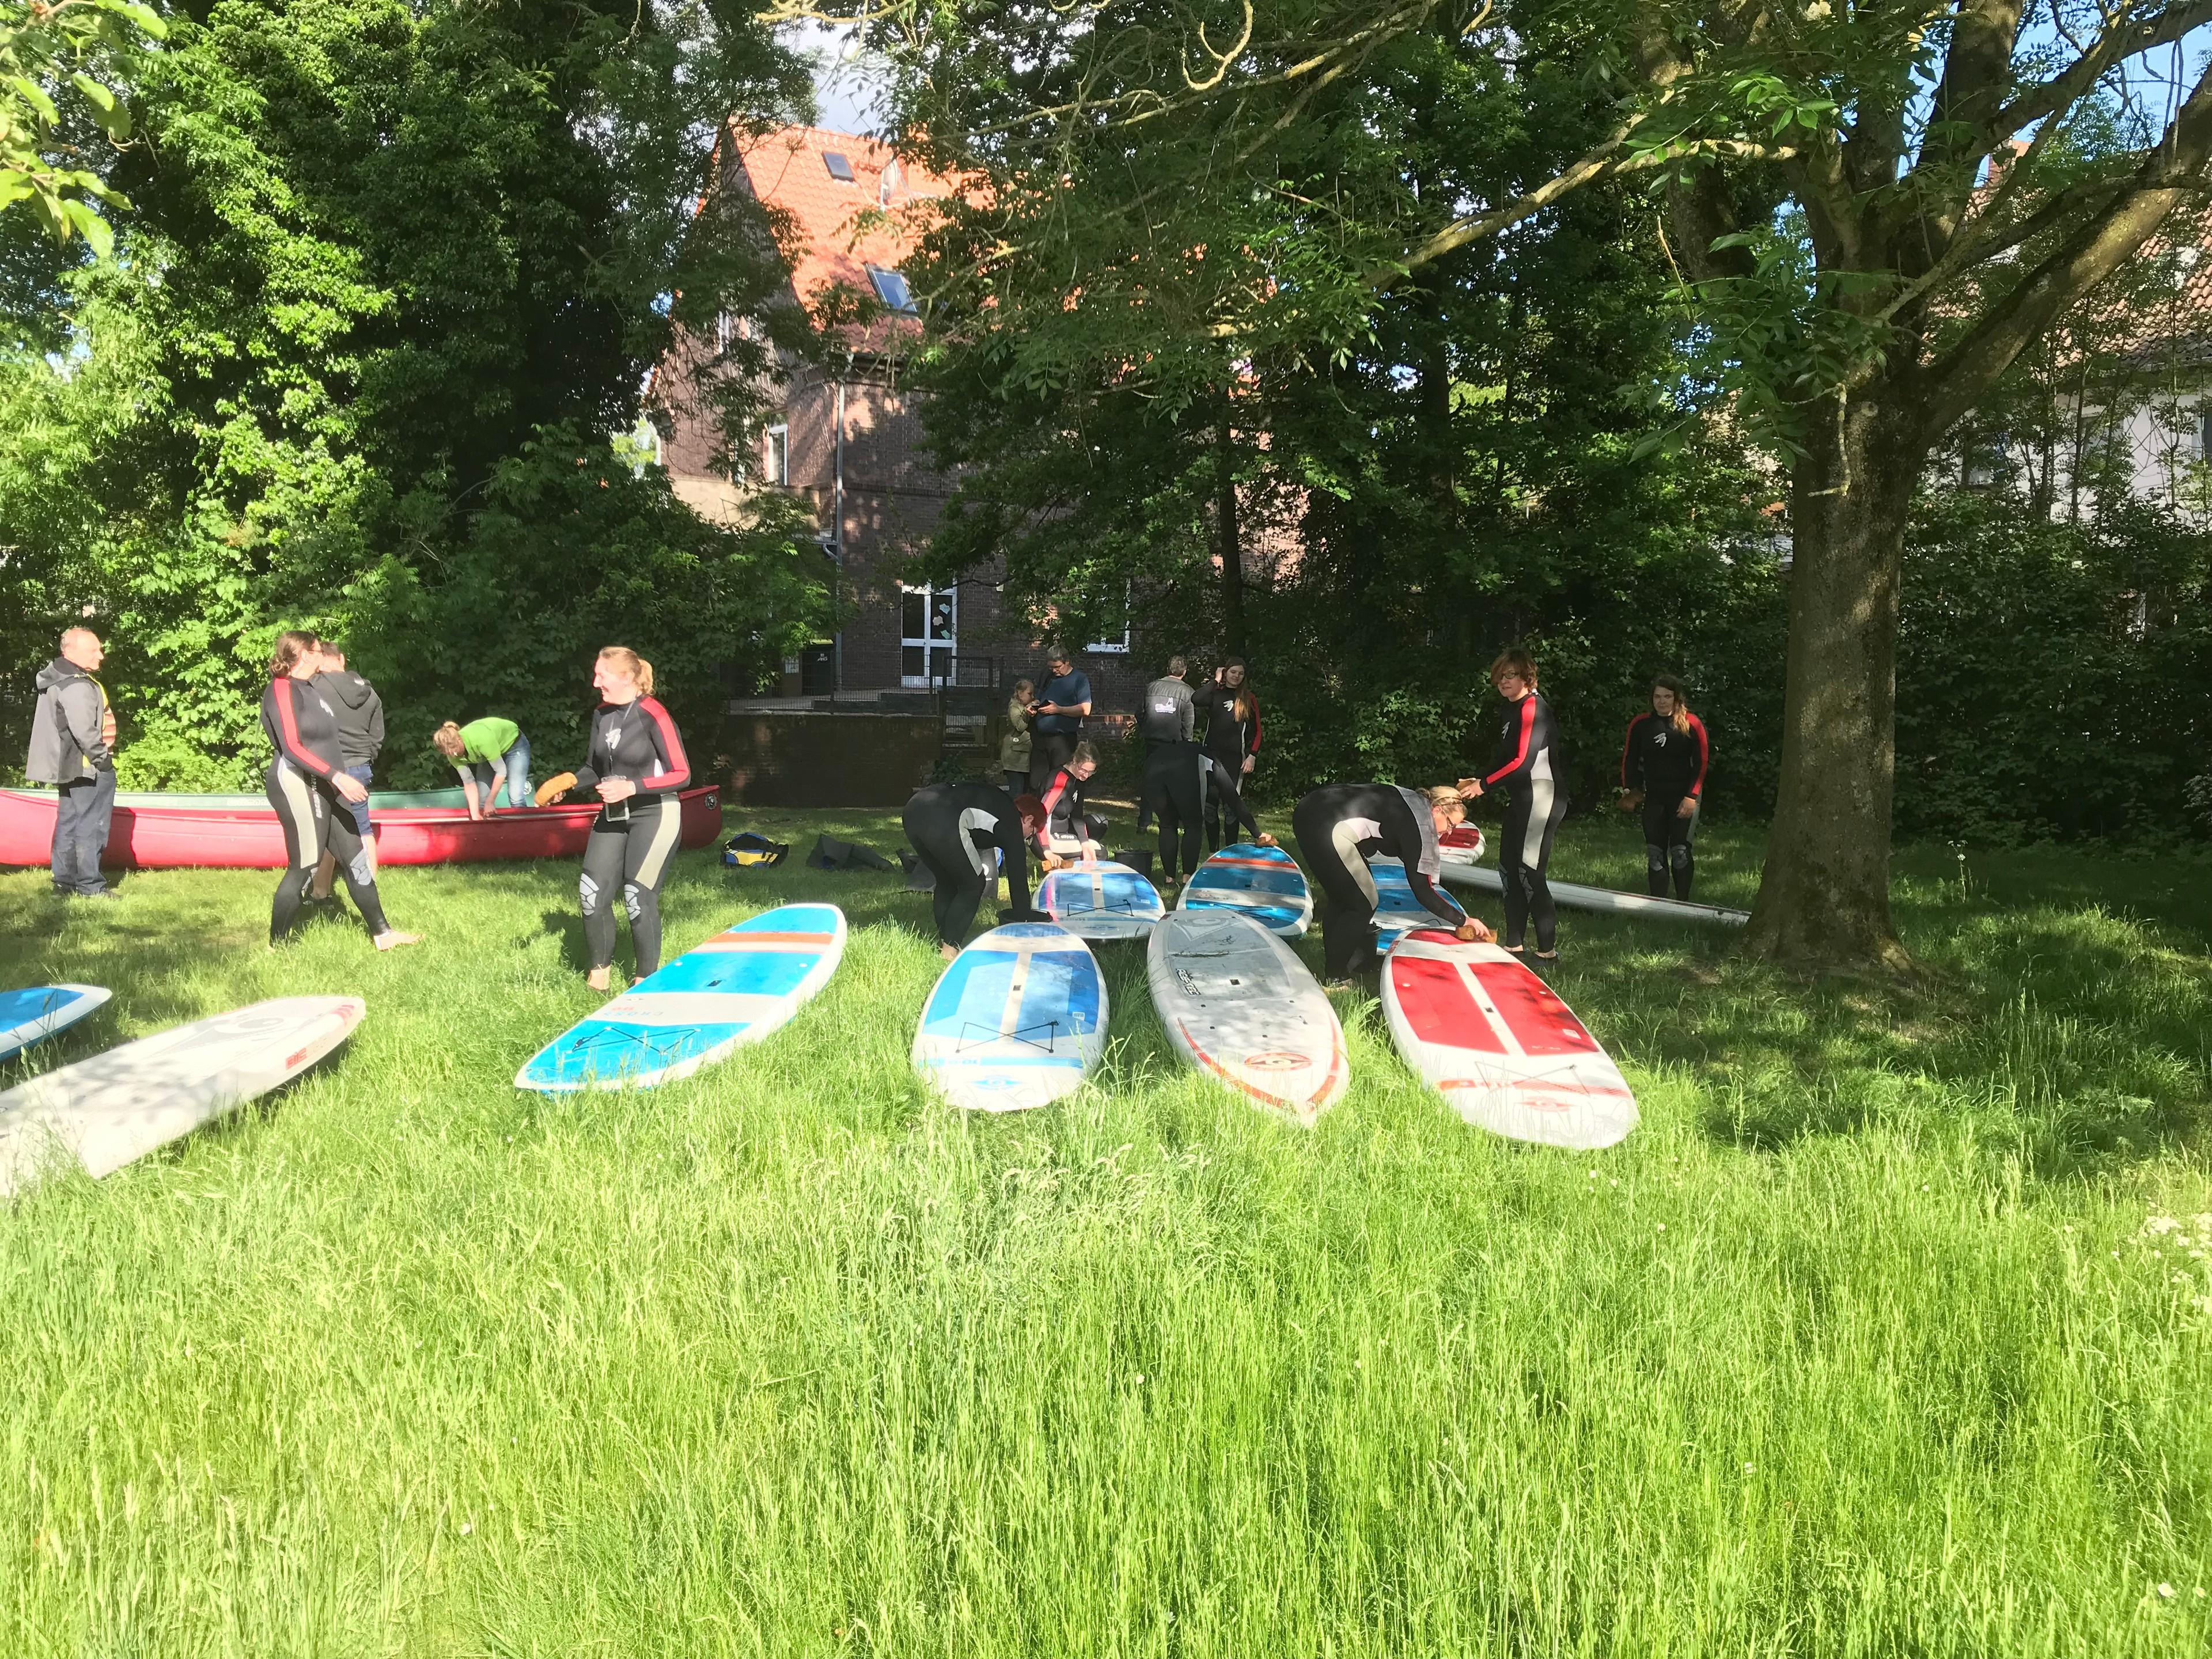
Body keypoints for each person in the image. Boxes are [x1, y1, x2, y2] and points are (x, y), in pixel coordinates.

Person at [261, 631, 420, 950]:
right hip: (298, 783)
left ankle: (383, 935)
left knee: (355, 857)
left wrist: (338, 777)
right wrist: (338, 776)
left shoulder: (312, 689)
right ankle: (276, 946)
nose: (324, 655)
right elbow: (292, 746)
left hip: (329, 784)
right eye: (319, 650)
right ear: (305, 655)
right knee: (306, 864)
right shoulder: (281, 689)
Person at [568, 647, 691, 991]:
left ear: (626, 677)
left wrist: (632, 787)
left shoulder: (654, 713)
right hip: (613, 814)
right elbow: (595, 768)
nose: (595, 683)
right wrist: (570, 783)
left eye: (601, 675)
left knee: (637, 896)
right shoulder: (601, 715)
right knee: (591, 893)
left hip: (656, 813)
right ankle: (598, 979)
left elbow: (682, 774)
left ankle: (646, 983)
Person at [1291, 783, 1490, 983]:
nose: (1448, 832)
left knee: (1344, 897)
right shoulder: (1421, 825)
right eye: (1450, 824)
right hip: (1326, 823)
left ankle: (1338, 964)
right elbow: (1424, 890)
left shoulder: (1413, 801)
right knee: (1362, 903)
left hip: (1312, 808)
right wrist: (1464, 920)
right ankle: (1335, 977)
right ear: (1437, 810)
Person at [1459, 647, 1566, 964]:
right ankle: (1514, 946)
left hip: (1542, 796)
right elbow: (1505, 757)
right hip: (1522, 798)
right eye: (1500, 676)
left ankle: (1547, 952)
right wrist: (1479, 778)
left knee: (1530, 872)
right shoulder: (1511, 709)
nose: (1503, 682)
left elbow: (1523, 762)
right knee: (1508, 868)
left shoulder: (1533, 706)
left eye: (1510, 675)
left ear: (1526, 677)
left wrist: (1485, 785)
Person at [902, 780, 1043, 960]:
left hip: (914, 810)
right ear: (1029, 819)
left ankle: (945, 939)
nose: (1027, 839)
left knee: (947, 881)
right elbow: (1018, 883)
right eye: (1032, 834)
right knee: (974, 884)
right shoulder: (1011, 823)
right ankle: (949, 951)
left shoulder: (999, 804)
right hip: (943, 816)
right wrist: (1025, 926)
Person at [25, 626, 118, 900]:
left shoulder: (57, 678)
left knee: (69, 822)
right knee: (92, 825)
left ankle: (63, 884)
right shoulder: (76, 683)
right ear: (71, 651)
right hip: (88, 766)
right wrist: (104, 761)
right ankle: (90, 886)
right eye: (94, 650)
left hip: (69, 766)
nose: (100, 656)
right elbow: (85, 732)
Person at [1618, 674, 1710, 900]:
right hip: (1654, 798)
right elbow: (1630, 759)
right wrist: (1631, 790)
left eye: (1667, 696)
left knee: (1680, 852)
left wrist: (1691, 797)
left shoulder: (1692, 723)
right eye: (1657, 696)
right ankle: (1658, 904)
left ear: (1676, 698)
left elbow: (1702, 762)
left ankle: (1683, 904)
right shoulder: (1641, 724)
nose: (1662, 701)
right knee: (1655, 853)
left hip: (1684, 797)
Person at [307, 640, 386, 903]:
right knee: (362, 828)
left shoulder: (314, 687)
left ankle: (320, 891)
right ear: (342, 659)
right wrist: (366, 757)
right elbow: (378, 735)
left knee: (328, 828)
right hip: (360, 766)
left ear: (321, 660)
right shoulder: (370, 693)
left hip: (328, 768)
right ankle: (370, 886)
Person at [1200, 658, 1262, 850]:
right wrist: (1215, 680)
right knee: (1210, 808)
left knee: (1231, 809)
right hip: (1210, 758)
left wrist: (1252, 755)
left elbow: (1258, 730)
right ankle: (1213, 852)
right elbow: (1196, 699)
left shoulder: (1248, 698)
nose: (1237, 676)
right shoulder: (1214, 694)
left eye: (1241, 673)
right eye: (1233, 672)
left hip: (1235, 760)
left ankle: (1231, 851)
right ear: (1225, 672)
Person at [433, 716, 533, 819]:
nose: (453, 754)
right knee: (482, 802)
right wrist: (475, 814)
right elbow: (469, 782)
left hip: (513, 744)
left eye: (454, 749)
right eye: (447, 752)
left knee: (515, 797)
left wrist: (491, 802)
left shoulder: (481, 740)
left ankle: (526, 831)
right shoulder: (452, 755)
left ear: (459, 740)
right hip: (488, 753)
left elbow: (501, 771)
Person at [1027, 647, 1091, 794]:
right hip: (1040, 738)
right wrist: (1033, 706)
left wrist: (1059, 710)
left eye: (1057, 667)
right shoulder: (1047, 676)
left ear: (1067, 662)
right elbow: (1040, 698)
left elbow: (1086, 709)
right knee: (1036, 783)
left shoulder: (1079, 679)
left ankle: (1059, 815)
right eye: (1051, 667)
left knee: (1060, 782)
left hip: (1063, 740)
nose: (1054, 671)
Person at [1035, 741, 1108, 866]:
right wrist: (1047, 850)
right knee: (1100, 853)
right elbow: (1040, 815)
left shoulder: (1078, 780)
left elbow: (1077, 815)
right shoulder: (1060, 782)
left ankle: (1072, 861)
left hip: (1065, 831)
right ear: (1075, 760)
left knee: (1100, 823)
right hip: (1046, 837)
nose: (1086, 775)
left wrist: (1085, 842)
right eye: (1084, 770)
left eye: (1091, 772)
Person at [998, 677, 1035, 796]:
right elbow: (1019, 727)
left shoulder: (1028, 705)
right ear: (1020, 693)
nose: (1032, 697)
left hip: (1025, 756)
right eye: (1029, 694)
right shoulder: (1014, 707)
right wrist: (1027, 713)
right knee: (1016, 791)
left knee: (1024, 791)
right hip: (1014, 757)